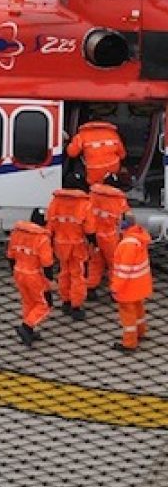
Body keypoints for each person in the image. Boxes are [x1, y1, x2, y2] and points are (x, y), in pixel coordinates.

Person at [46, 182, 96, 321]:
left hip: (60, 244)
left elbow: (50, 225)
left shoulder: (55, 202)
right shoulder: (84, 204)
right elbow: (90, 229)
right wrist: (94, 242)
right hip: (77, 246)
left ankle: (66, 301)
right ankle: (76, 306)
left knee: (64, 272)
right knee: (77, 275)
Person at [6, 208, 54, 347]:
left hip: (18, 271)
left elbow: (10, 255)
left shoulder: (17, 233)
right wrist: (50, 280)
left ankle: (29, 330)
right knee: (45, 304)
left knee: (28, 302)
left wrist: (14, 272)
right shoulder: (42, 238)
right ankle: (26, 327)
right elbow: (47, 263)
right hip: (34, 275)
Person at [110, 215, 152, 352]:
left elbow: (124, 270)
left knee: (128, 316)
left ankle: (129, 343)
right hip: (140, 285)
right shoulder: (139, 238)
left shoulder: (127, 244)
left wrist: (115, 288)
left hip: (128, 288)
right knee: (138, 310)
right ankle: (140, 333)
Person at [87, 176, 130, 301]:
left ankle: (91, 288)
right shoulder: (118, 198)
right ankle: (114, 291)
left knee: (95, 262)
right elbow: (128, 216)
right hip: (109, 237)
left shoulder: (92, 195)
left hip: (93, 235)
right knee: (114, 264)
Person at [66, 120, 126, 186]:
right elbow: (123, 155)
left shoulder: (81, 135)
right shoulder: (113, 134)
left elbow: (71, 153)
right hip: (113, 170)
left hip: (94, 172)